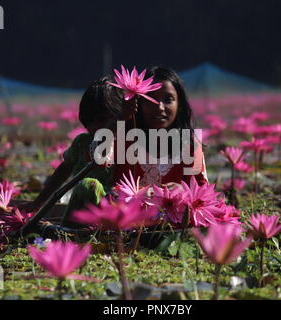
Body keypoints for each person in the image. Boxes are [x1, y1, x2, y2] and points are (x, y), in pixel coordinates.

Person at [21, 75, 134, 225]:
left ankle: (67, 230)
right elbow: (62, 172)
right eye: (91, 121)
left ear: (122, 117)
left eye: (104, 119)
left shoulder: (128, 145)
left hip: (114, 210)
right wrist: (38, 203)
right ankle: (68, 228)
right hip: (82, 209)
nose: (96, 127)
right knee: (87, 186)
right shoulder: (82, 143)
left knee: (90, 185)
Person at [112, 66, 208, 187]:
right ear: (137, 104)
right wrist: (120, 118)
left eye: (168, 99)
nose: (160, 107)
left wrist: (181, 192)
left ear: (180, 105)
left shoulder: (191, 147)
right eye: (151, 99)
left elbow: (203, 195)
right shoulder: (121, 143)